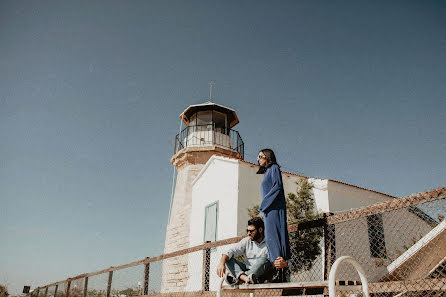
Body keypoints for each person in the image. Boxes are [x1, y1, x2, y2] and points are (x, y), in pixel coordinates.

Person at [257, 149, 291, 282]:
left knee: (275, 235)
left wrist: (264, 204)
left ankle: (280, 269)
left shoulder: (274, 168)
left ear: (267, 157)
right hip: (268, 210)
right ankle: (276, 268)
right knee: (270, 237)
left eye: (260, 156)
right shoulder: (267, 172)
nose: (258, 159)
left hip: (274, 208)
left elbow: (277, 187)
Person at [216, 217, 274, 285]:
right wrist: (221, 263)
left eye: (251, 231)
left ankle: (239, 279)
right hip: (247, 270)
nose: (248, 233)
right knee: (227, 259)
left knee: (263, 260)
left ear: (260, 230)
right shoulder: (247, 241)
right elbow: (231, 251)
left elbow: (272, 262)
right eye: (247, 231)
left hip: (262, 275)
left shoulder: (270, 242)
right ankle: (246, 279)